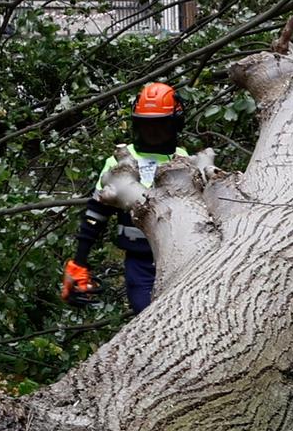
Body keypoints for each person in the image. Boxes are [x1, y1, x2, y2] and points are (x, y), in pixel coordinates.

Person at [65, 82, 207, 313]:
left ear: (174, 125)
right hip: (139, 259)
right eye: (147, 125)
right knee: (146, 312)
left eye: (160, 125)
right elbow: (95, 216)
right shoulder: (119, 163)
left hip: (182, 253)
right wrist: (79, 262)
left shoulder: (183, 160)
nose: (152, 132)